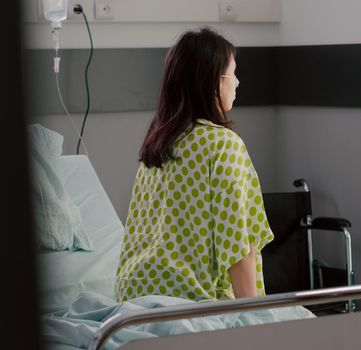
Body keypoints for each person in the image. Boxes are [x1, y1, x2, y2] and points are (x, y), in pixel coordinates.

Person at [115, 27, 273, 302]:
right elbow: (238, 243)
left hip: (132, 297)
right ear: (213, 82)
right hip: (188, 301)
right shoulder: (223, 144)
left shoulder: (157, 144)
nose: (237, 82)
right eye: (232, 73)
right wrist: (256, 316)